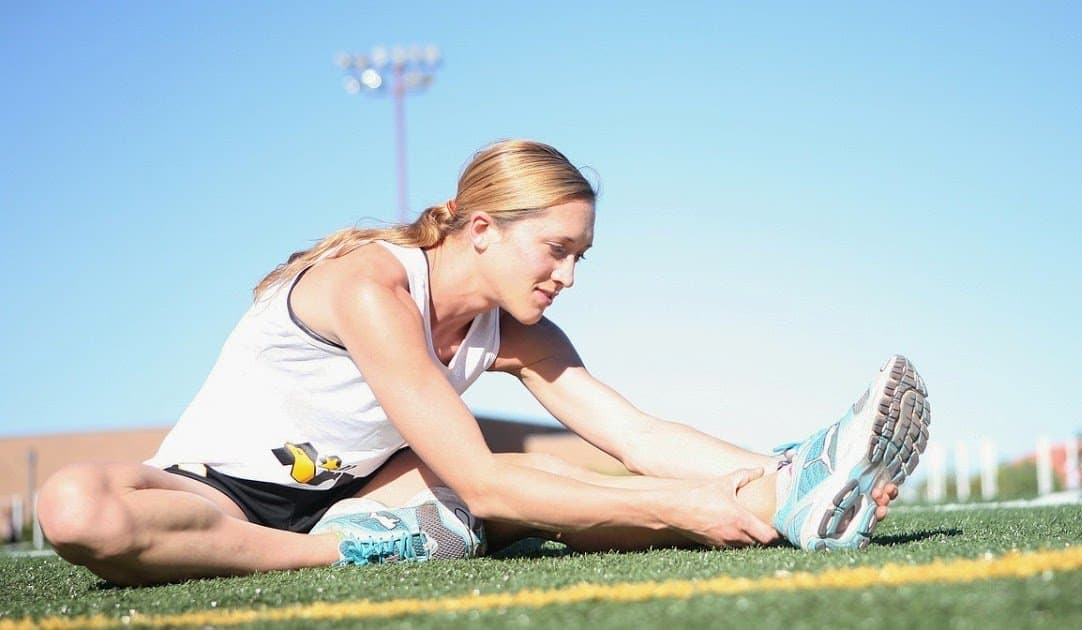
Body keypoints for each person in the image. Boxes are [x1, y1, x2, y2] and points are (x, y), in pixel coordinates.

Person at [36, 140, 930, 585]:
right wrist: (686, 507)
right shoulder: (368, 287)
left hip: (367, 492)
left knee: (538, 488)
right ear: (479, 229)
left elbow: (633, 432)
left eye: (581, 256)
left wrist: (770, 473)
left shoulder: (517, 330)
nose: (568, 275)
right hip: (214, 495)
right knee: (73, 507)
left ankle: (792, 488)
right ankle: (340, 555)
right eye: (555, 249)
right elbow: (483, 478)